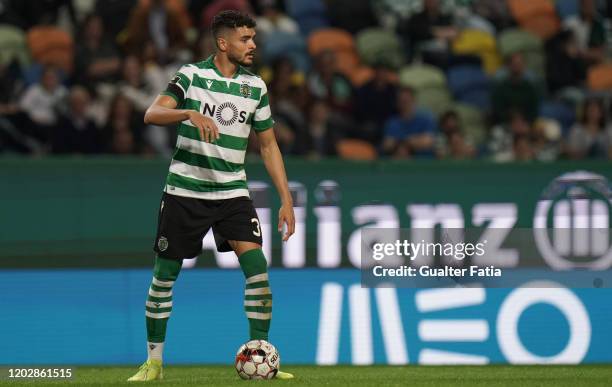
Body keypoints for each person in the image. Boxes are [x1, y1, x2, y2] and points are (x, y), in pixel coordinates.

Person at [127, 11, 295, 381]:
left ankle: (262, 354)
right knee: (165, 276)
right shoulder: (191, 76)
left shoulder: (257, 88)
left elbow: (268, 146)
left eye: (253, 38)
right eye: (245, 39)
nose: (253, 45)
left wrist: (286, 199)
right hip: (185, 190)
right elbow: (152, 114)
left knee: (258, 271)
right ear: (223, 43)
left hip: (233, 192)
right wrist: (188, 112)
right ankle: (153, 363)